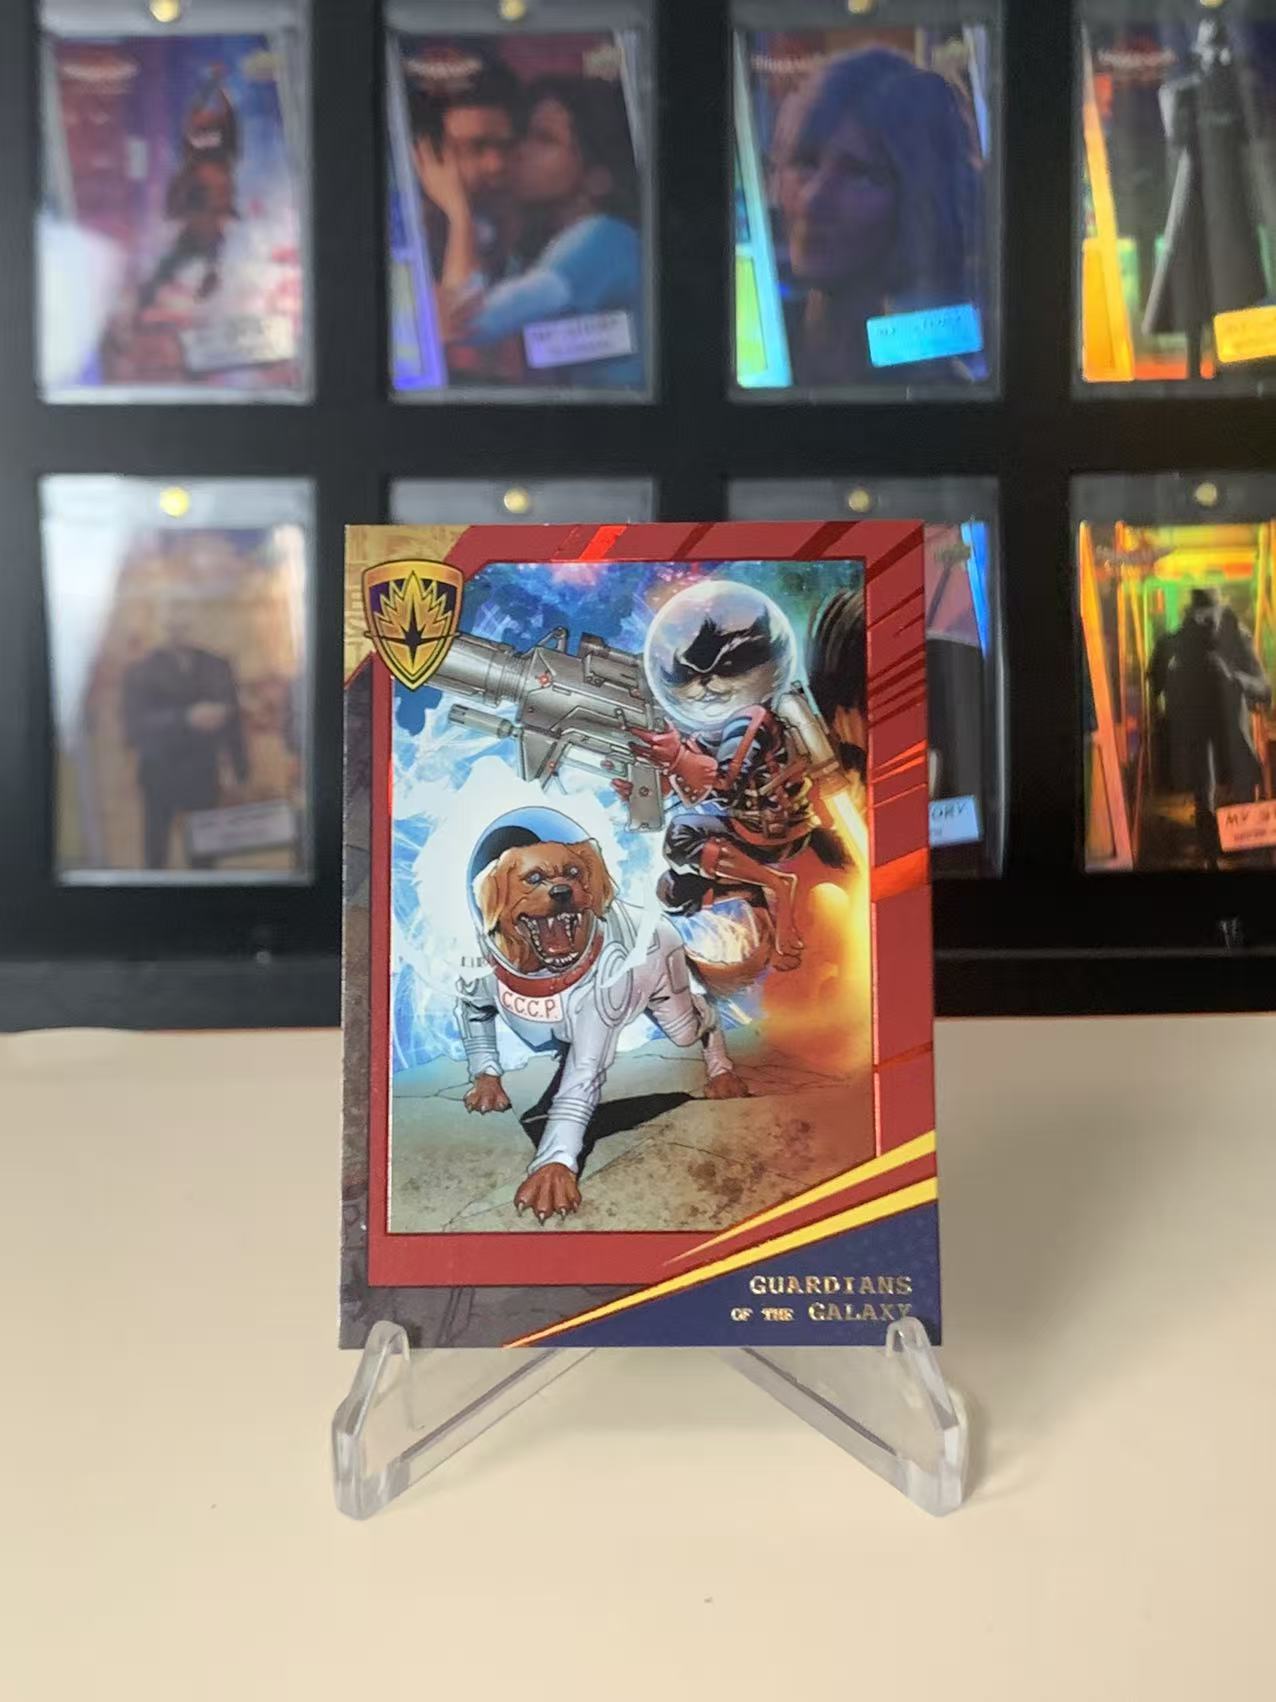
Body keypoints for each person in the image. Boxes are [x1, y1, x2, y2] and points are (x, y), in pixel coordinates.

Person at [769, 47, 983, 387]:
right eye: (805, 162)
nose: (813, 199)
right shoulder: (756, 348)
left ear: (921, 199)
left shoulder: (941, 375)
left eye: (860, 174)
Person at [416, 74, 643, 389]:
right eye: (524, 136)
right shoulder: (544, 242)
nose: (519, 152)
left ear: (597, 178)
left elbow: (470, 324)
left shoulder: (600, 239)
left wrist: (458, 213)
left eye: (545, 140)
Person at [407, 57, 523, 382]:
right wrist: (459, 214)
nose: (496, 164)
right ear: (427, 156)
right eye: (475, 147)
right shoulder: (409, 241)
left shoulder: (517, 223)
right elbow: (466, 332)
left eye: (505, 146)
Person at [1148, 587, 1273, 866]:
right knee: (1205, 793)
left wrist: (1233, 678)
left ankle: (1240, 855)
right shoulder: (1177, 644)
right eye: (1199, 618)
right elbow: (1155, 687)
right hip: (1202, 747)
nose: (1204, 624)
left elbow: (1263, 689)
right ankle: (1213, 856)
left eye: (1209, 618)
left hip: (1235, 752)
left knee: (1239, 800)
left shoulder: (1236, 641)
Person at [121, 606, 248, 871]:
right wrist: (185, 718)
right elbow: (135, 725)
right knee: (156, 852)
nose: (179, 629)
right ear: (160, 626)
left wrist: (240, 769)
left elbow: (234, 720)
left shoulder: (217, 665)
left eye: (185, 622)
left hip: (204, 771)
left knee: (205, 852)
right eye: (171, 622)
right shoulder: (141, 670)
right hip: (159, 771)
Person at [137, 65, 239, 311]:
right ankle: (149, 296)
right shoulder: (194, 167)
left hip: (206, 229)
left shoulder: (216, 166)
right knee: (173, 264)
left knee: (202, 258)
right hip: (196, 229)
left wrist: (217, 84)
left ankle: (162, 292)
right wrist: (214, 84)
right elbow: (203, 112)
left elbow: (226, 116)